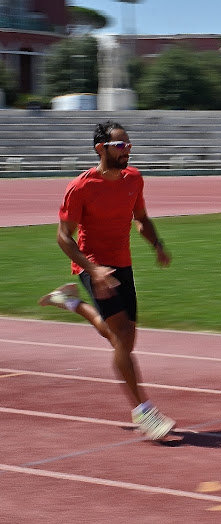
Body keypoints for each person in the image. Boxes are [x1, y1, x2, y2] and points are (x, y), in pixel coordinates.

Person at [38, 120, 176, 440]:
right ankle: (145, 413)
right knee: (123, 335)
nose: (126, 150)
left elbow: (140, 219)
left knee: (121, 339)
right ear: (101, 148)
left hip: (122, 266)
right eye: (119, 145)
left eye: (128, 144)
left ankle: (69, 301)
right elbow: (63, 237)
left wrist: (157, 245)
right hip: (93, 266)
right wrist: (94, 269)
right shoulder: (81, 187)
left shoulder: (134, 179)